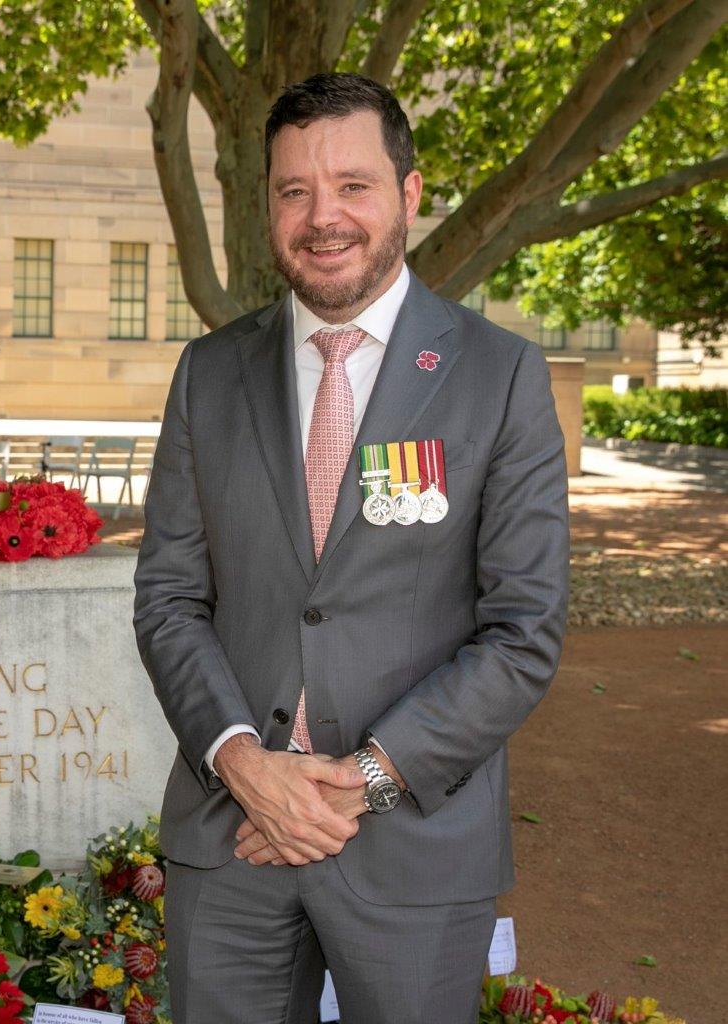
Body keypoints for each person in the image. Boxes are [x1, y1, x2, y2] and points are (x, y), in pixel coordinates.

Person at [134, 72, 569, 1024]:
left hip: (411, 843)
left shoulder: (498, 377)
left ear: (409, 194)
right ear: (267, 208)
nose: (321, 216)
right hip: (232, 834)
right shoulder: (209, 374)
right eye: (294, 191)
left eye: (352, 185)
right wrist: (246, 767)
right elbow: (168, 597)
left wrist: (355, 783)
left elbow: (523, 629)